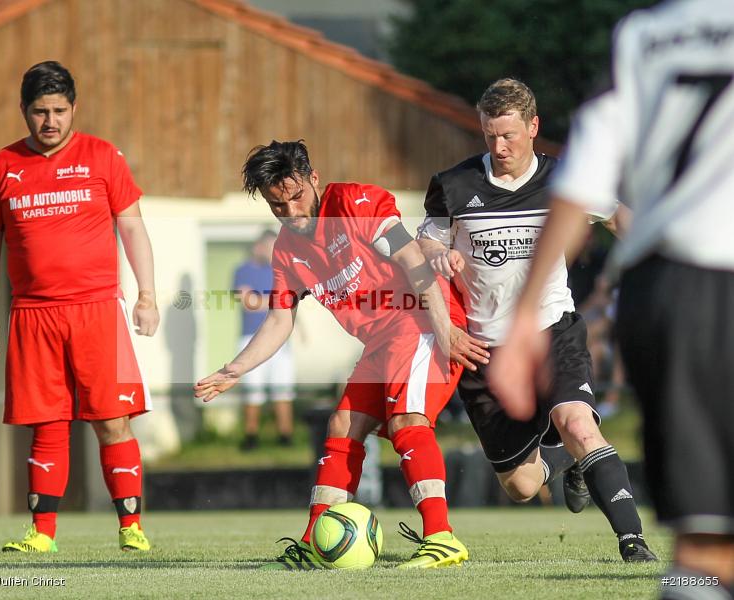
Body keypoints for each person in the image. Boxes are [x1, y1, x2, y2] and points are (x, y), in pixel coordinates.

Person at [490, 2, 734, 596]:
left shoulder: (644, 36)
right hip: (699, 278)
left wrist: (524, 320)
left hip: (676, 286)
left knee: (705, 544)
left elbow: (582, 180)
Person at [195, 140, 489, 570]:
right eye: (278, 206)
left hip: (422, 321)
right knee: (342, 424)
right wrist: (233, 369)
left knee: (409, 419)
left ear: (313, 179)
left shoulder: (354, 202)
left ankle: (442, 538)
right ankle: (315, 541)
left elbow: (413, 260)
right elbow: (279, 321)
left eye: (296, 196)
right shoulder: (287, 251)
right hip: (381, 341)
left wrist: (445, 331)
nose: (291, 212)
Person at [416, 78, 657, 562]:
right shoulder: (454, 185)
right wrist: (439, 255)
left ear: (533, 126)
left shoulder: (566, 182)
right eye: (490, 136)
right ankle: (565, 457)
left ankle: (633, 543)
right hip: (484, 347)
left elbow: (618, 219)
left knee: (579, 423)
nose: (499, 146)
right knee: (522, 485)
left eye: (509, 135)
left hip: (552, 330)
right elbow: (426, 241)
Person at [0, 61, 158, 553]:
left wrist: (147, 295)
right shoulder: (1, 165)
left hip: (97, 309)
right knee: (47, 422)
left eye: (58, 110)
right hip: (32, 314)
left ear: (74, 108)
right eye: (39, 112)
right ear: (23, 112)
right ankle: (42, 534)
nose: (49, 121)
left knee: (112, 420)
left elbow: (133, 227)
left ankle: (131, 529)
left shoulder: (102, 157)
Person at [233, 229, 295, 450]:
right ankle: (251, 437)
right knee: (253, 390)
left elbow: (290, 303)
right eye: (269, 246)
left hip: (280, 339)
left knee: (283, 388)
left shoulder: (280, 271)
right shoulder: (243, 270)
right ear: (258, 246)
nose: (272, 252)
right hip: (251, 338)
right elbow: (248, 302)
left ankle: (285, 437)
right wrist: (275, 300)